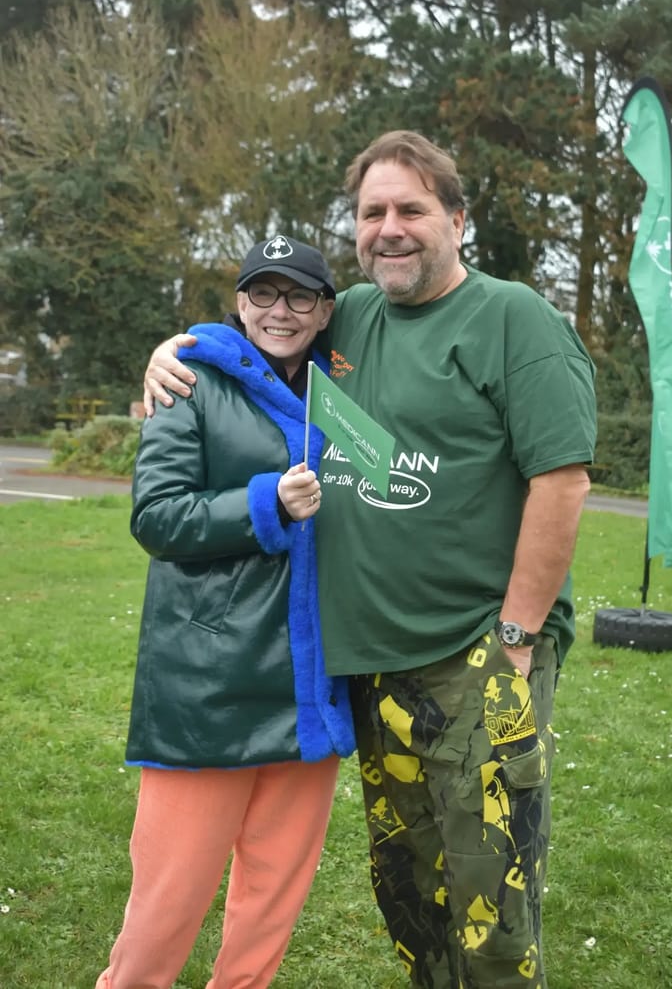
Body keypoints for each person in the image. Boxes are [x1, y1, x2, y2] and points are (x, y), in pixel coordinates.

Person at [144, 131, 597, 989]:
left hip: (477, 656)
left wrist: (516, 637)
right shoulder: (348, 316)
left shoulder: (513, 318)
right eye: (371, 211)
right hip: (372, 673)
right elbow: (259, 330)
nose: (389, 228)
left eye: (411, 209)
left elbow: (563, 481)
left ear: (457, 220)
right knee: (412, 898)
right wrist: (176, 348)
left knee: (491, 909)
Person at [97, 236, 356, 989]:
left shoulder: (345, 388)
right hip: (211, 686)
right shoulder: (190, 379)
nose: (280, 310)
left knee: (271, 905)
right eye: (263, 292)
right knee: (167, 902)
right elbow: (157, 516)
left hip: (310, 684)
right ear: (240, 302)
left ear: (325, 310)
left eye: (300, 295)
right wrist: (265, 502)